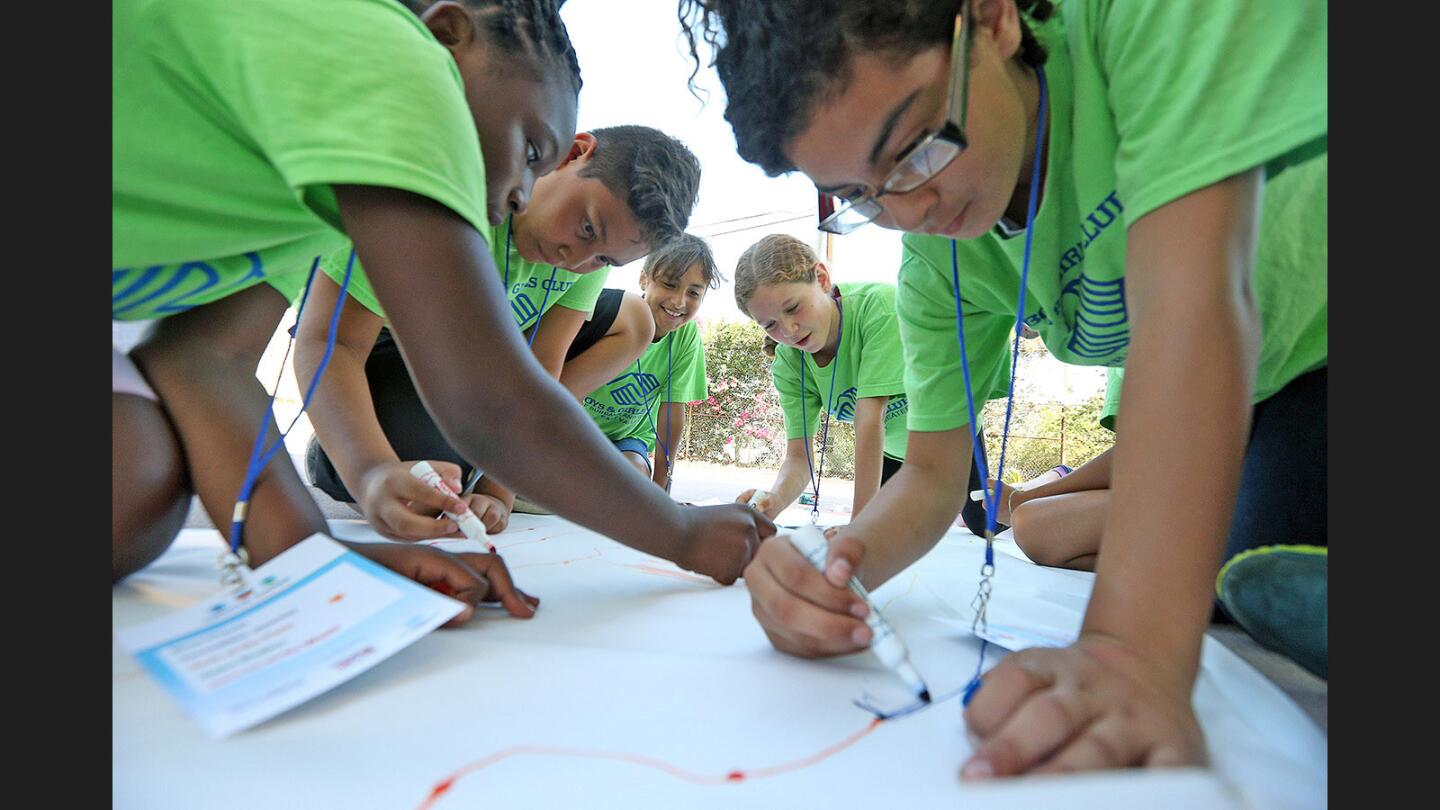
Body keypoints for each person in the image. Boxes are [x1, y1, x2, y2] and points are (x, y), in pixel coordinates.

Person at [682, 0, 1326, 776]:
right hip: (1267, 397)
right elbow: (929, 474)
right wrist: (840, 561)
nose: (911, 209)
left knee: (1256, 558)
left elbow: (1197, 305)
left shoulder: (1142, 19)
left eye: (916, 148)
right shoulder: (933, 255)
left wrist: (1132, 653)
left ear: (990, 20)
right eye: (861, 195)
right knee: (1253, 563)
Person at [113, 0, 770, 620]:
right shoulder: (390, 59)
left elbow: (202, 357)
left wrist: (305, 553)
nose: (517, 193)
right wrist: (683, 531)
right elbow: (491, 403)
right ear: (446, 37)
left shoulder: (315, 200)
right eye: (531, 151)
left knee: (133, 481)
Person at [301, 124, 701, 533]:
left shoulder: (584, 258)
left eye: (604, 260)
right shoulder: (445, 199)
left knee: (636, 321)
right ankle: (339, 445)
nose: (575, 260)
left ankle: (512, 461)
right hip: (397, 343)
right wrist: (370, 470)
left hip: (485, 355)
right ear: (572, 153)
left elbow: (542, 373)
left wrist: (498, 490)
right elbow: (335, 343)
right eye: (586, 228)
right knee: (420, 463)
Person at [579, 233, 720, 490]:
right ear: (644, 278)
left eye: (694, 293)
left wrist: (661, 489)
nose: (679, 301)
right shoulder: (616, 313)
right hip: (574, 427)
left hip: (626, 439)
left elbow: (672, 409)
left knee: (633, 480)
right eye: (669, 284)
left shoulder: (686, 337)